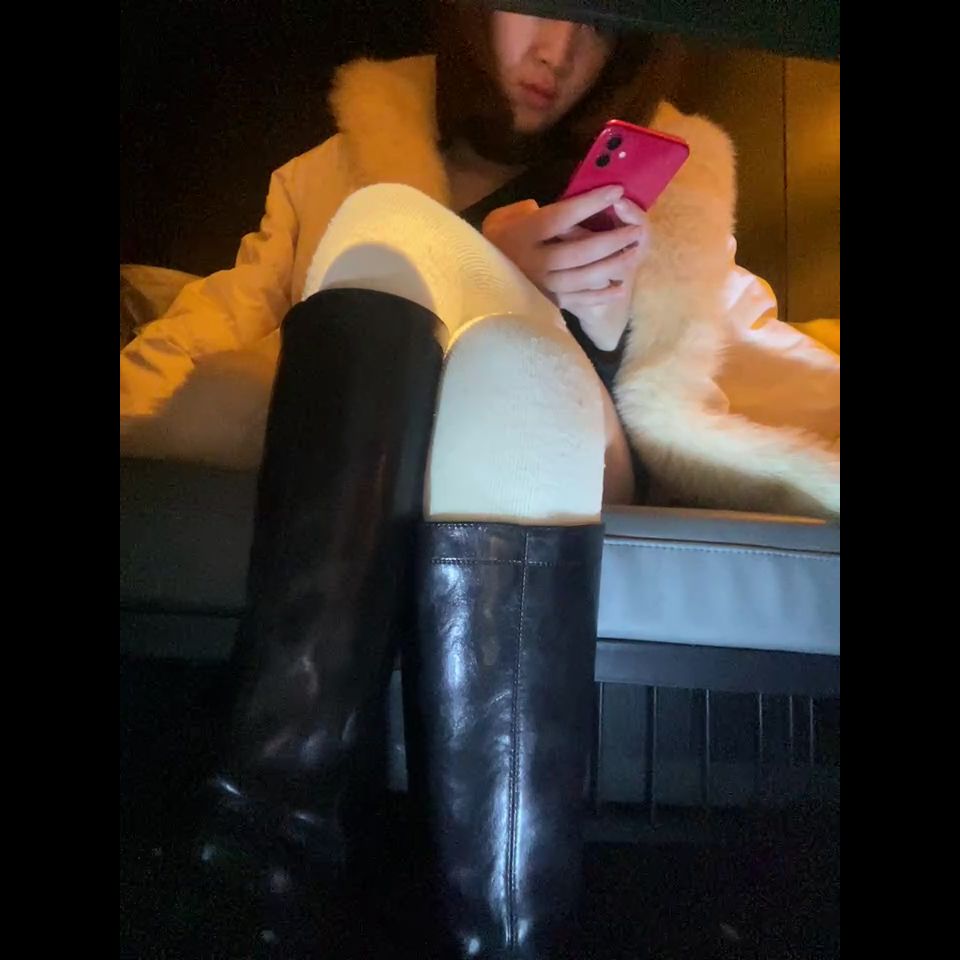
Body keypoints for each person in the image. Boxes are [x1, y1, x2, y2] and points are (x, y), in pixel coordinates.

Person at [120, 3, 840, 956]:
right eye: (534, 7)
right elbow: (209, 327)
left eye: (597, 25)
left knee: (483, 324)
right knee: (405, 245)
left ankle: (255, 853)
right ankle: (488, 927)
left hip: (576, 435)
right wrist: (478, 259)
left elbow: (757, 345)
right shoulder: (326, 171)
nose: (559, 51)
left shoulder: (667, 190)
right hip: (397, 427)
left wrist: (612, 326)